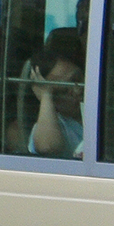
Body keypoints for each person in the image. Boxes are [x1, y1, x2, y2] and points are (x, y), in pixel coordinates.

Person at [27, 29, 86, 158]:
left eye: (78, 80)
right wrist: (46, 96)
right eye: (64, 90)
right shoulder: (53, 124)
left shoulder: (104, 112)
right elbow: (48, 148)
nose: (77, 90)